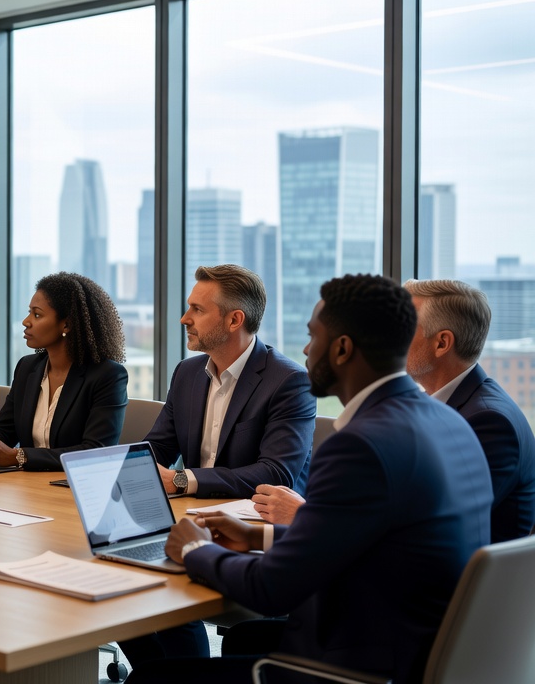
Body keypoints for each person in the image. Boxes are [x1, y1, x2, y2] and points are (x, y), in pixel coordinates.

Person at [128, 275, 493, 684]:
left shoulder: (361, 444)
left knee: (152, 678)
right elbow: (364, 540)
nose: (304, 350)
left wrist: (194, 549)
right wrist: (257, 538)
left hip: (351, 668)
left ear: (342, 349)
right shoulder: (449, 421)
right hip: (410, 653)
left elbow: (270, 590)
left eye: (312, 336)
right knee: (235, 644)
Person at [122, 264, 315, 665]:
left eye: (196, 309)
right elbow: (157, 446)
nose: (184, 318)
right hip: (189, 517)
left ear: (233, 320)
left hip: (250, 529)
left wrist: (182, 479)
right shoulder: (188, 371)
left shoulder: (287, 380)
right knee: (120, 578)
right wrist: (116, 471)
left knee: (163, 594)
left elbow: (276, 472)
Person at [253, 278, 535, 542]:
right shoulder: (437, 405)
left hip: (449, 589)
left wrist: (304, 516)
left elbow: (417, 532)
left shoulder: (488, 421)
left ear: (442, 343)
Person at [0, 273, 127, 471]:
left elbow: (95, 451)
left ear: (66, 324)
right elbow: (5, 429)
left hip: (72, 489)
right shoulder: (27, 367)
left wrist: (20, 456)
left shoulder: (107, 375)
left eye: (37, 315)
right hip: (26, 488)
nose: (26, 322)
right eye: (29, 312)